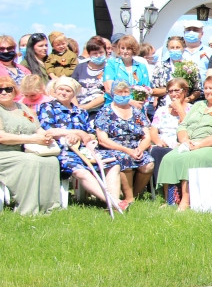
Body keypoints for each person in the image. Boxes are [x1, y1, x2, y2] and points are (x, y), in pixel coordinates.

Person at [156, 75, 212, 211]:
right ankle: (170, 200)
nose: (207, 91)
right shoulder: (198, 105)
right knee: (169, 158)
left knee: (190, 158)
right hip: (192, 144)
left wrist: (200, 144)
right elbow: (183, 125)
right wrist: (185, 140)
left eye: (211, 88)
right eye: (205, 88)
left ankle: (186, 201)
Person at [38, 77, 122, 206]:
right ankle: (114, 202)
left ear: (73, 94)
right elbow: (49, 131)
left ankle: (113, 202)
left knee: (114, 163)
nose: (63, 93)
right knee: (80, 171)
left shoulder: (80, 111)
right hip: (63, 151)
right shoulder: (47, 107)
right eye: (60, 89)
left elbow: (91, 133)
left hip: (85, 150)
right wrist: (76, 133)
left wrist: (86, 137)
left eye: (68, 90)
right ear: (55, 90)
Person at [0, 75, 61, 215]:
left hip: (23, 150)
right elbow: (2, 137)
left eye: (8, 89)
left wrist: (45, 136)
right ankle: (28, 210)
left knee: (51, 161)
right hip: (3, 152)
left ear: (14, 91)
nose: (4, 92)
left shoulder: (22, 108)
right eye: (0, 90)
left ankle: (49, 208)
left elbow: (37, 128)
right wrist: (33, 139)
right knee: (31, 161)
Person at [94, 81, 155, 207]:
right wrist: (127, 150)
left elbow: (146, 136)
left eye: (126, 92)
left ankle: (135, 195)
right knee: (124, 158)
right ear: (113, 94)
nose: (123, 95)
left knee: (148, 164)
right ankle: (129, 197)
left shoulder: (137, 112)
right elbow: (102, 140)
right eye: (119, 92)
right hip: (113, 148)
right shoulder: (105, 112)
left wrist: (140, 149)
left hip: (135, 147)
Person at [148, 77, 192, 186]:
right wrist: (157, 141)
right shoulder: (161, 110)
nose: (173, 94)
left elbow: (189, 127)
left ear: (185, 91)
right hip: (164, 142)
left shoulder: (192, 109)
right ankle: (164, 188)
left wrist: (179, 109)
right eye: (170, 91)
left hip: (183, 142)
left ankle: (178, 187)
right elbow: (153, 131)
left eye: (177, 90)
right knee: (158, 151)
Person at [103, 35, 150, 107]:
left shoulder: (141, 67)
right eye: (122, 48)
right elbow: (109, 89)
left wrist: (142, 102)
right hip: (116, 106)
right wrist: (129, 101)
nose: (125, 51)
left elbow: (146, 88)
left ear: (134, 49)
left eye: (128, 49)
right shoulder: (111, 64)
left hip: (137, 107)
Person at [71, 36, 109, 120]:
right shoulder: (80, 67)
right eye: (95, 53)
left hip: (100, 110)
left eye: (101, 52)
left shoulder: (110, 68)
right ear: (89, 54)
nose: (98, 55)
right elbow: (71, 89)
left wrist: (87, 107)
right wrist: (77, 107)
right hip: (79, 109)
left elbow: (109, 92)